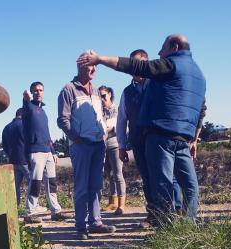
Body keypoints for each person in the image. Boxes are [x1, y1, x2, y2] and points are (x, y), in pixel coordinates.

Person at [77, 34, 206, 224]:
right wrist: (194, 136)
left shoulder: (171, 66)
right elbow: (201, 108)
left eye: (163, 48)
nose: (160, 53)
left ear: (175, 47)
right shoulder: (199, 74)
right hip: (183, 137)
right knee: (189, 184)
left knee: (161, 183)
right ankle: (189, 225)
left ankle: (165, 229)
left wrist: (100, 59)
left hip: (162, 135)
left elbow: (137, 66)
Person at [116, 49, 184, 227]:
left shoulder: (158, 83)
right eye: (134, 64)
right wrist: (122, 145)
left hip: (159, 139)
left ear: (147, 64)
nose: (137, 68)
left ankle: (175, 212)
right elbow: (122, 120)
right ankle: (154, 215)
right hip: (138, 141)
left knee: (168, 176)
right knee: (147, 179)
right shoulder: (126, 92)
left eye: (141, 63)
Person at [57, 62, 116, 239]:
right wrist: (76, 138)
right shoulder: (68, 89)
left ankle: (96, 222)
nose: (94, 70)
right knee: (82, 187)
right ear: (80, 67)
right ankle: (81, 226)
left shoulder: (97, 91)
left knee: (96, 186)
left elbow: (102, 114)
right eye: (90, 66)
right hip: (81, 145)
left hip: (99, 144)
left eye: (95, 67)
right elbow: (62, 119)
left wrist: (103, 134)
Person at [22, 82, 68, 222]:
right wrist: (25, 99)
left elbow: (47, 134)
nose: (38, 92)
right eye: (35, 90)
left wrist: (53, 151)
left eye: (41, 90)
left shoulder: (43, 111)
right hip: (35, 151)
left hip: (48, 151)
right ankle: (29, 213)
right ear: (31, 93)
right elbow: (26, 103)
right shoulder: (28, 108)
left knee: (52, 182)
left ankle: (56, 211)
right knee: (36, 182)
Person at [99, 86, 126, 214]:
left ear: (110, 94)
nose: (102, 99)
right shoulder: (99, 111)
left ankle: (121, 204)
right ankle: (112, 202)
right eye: (100, 96)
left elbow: (114, 126)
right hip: (103, 145)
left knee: (118, 174)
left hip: (115, 144)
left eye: (104, 95)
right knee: (109, 174)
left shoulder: (117, 109)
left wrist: (104, 128)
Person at [1, 108, 29, 207]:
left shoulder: (6, 127)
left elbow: (4, 146)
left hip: (13, 161)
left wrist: (10, 154)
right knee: (33, 183)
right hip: (25, 160)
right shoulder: (24, 125)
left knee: (15, 186)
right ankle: (31, 207)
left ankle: (16, 208)